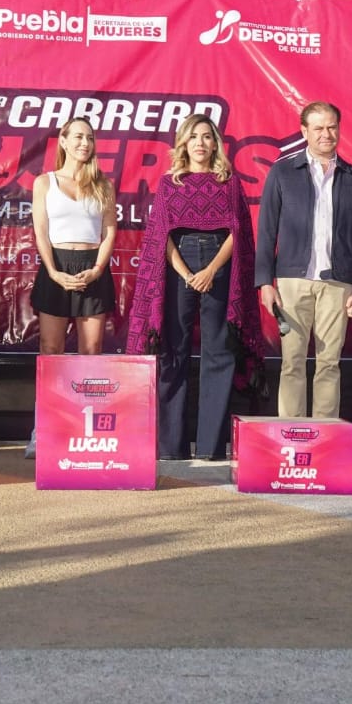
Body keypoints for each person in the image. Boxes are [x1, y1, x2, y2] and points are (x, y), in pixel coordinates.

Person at [125, 114, 265, 461]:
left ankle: (211, 448)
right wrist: (187, 273)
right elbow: (161, 238)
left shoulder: (228, 182)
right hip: (179, 263)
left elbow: (239, 233)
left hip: (219, 264)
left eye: (207, 137)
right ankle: (171, 447)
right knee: (173, 351)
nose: (200, 143)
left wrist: (211, 269)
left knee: (219, 354)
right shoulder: (171, 184)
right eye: (194, 137)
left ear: (215, 143)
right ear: (183, 144)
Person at [255, 101, 352, 418]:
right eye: (319, 128)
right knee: (292, 361)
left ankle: (326, 438)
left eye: (332, 127)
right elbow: (266, 231)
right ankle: (290, 435)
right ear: (304, 131)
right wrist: (265, 282)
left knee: (329, 363)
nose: (326, 134)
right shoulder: (282, 172)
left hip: (338, 284)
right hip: (293, 282)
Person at [26, 117, 118, 457]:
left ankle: (84, 428)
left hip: (92, 271)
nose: (84, 142)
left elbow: (109, 231)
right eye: (77, 136)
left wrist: (96, 270)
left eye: (89, 137)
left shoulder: (103, 185)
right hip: (56, 271)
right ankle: (44, 429)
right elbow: (41, 231)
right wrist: (52, 271)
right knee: (51, 351)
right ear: (63, 141)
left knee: (91, 354)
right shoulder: (44, 182)